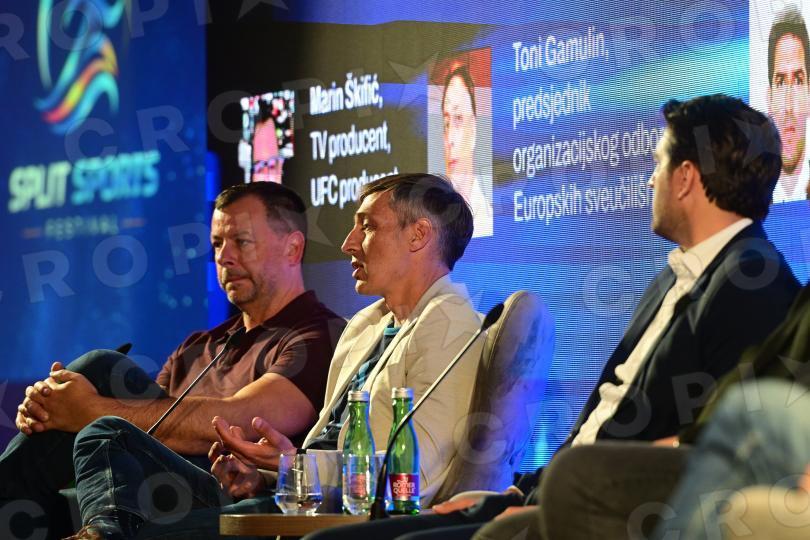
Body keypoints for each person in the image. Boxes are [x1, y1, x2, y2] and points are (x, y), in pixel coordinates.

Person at [303, 94, 801, 540]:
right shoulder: (675, 277)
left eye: (658, 164)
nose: (651, 179)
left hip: (614, 507)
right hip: (560, 491)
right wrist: (517, 492)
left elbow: (719, 443)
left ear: (687, 176)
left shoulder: (751, 285)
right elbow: (605, 418)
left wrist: (555, 493)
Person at [65, 173, 484, 539]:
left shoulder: (451, 328)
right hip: (296, 497)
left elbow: (413, 479)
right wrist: (265, 474)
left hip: (344, 516)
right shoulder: (366, 325)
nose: (348, 243)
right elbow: (323, 447)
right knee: (108, 433)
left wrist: (292, 468)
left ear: (418, 235)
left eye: (367, 226)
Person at [0, 182, 345, 539]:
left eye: (241, 242)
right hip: (150, 493)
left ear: (292, 248)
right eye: (217, 244)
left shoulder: (320, 335)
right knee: (28, 510)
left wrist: (88, 408)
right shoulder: (197, 346)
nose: (224, 257)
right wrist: (51, 407)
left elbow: (244, 420)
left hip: (229, 499)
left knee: (102, 373)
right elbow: (146, 432)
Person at [441, 64, 493, 238]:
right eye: (446, 124)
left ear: (474, 130)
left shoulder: (487, 220)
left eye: (458, 119)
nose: (450, 139)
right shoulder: (434, 225)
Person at [769, 4, 810, 203]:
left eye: (798, 80)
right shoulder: (749, 195)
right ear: (769, 98)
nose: (788, 106)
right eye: (780, 82)